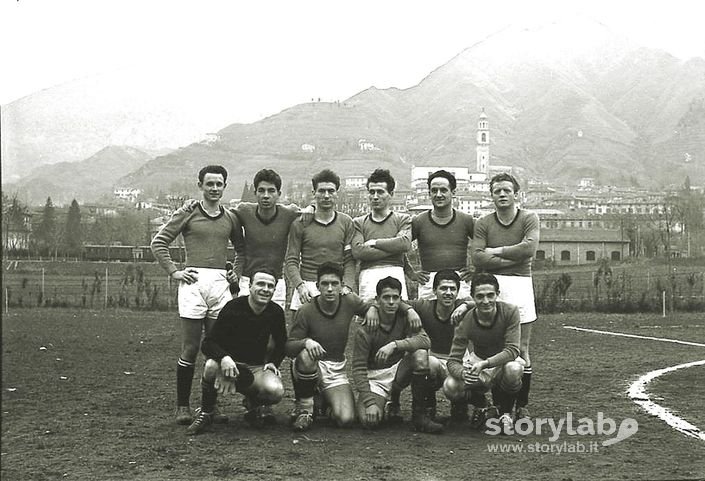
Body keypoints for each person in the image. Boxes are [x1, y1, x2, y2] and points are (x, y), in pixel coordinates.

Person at [150, 165, 244, 425]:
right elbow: (158, 243)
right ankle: (182, 407)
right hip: (193, 283)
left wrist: (235, 272)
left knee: (216, 349)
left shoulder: (231, 217)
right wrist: (174, 272)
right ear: (200, 185)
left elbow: (241, 250)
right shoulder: (188, 212)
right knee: (191, 348)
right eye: (210, 184)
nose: (214, 189)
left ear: (225, 186)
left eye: (219, 184)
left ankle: (210, 407)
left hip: (219, 285)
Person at [463, 172, 539, 420]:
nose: (503, 194)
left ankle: (521, 405)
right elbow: (477, 257)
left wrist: (495, 252)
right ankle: (496, 404)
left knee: (522, 349)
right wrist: (511, 256)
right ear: (492, 195)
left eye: (507, 190)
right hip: (492, 287)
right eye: (498, 191)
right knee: (491, 347)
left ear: (516, 194)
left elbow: (529, 250)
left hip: (520, 286)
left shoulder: (529, 218)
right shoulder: (484, 222)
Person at [186, 268, 287, 435]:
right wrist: (224, 358)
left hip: (255, 368)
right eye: (260, 284)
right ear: (250, 286)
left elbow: (282, 343)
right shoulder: (233, 308)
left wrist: (273, 362)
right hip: (229, 366)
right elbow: (208, 343)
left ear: (274, 290)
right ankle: (207, 412)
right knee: (211, 365)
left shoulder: (275, 312)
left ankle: (252, 405)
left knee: (275, 391)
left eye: (270, 286)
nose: (265, 289)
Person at [285, 262, 373, 431]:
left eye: (335, 284)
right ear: (318, 286)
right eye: (325, 284)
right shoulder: (306, 310)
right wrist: (306, 342)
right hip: (313, 365)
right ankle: (305, 409)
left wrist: (373, 310)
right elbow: (289, 347)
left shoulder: (350, 301)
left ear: (342, 285)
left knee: (346, 419)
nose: (330, 289)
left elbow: (373, 308)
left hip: (336, 368)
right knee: (305, 356)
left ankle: (324, 404)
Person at [381, 269, 475, 425]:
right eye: (443, 288)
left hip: (456, 362)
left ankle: (459, 406)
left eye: (453, 289)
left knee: (460, 384)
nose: (448, 293)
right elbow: (396, 302)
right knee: (426, 362)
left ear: (458, 292)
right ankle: (426, 405)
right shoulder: (424, 306)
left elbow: (488, 303)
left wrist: (466, 304)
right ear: (434, 290)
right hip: (434, 359)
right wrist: (409, 310)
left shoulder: (461, 307)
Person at [351, 277, 443, 433]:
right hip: (376, 377)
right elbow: (358, 369)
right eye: (386, 298)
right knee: (369, 421)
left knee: (425, 357)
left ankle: (419, 415)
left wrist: (395, 345)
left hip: (397, 370)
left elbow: (425, 341)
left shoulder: (405, 317)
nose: (391, 302)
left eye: (395, 298)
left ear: (400, 299)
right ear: (377, 300)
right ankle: (386, 403)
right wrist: (369, 402)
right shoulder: (366, 329)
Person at [444, 272, 524, 434]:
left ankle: (506, 413)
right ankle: (484, 406)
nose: (485, 301)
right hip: (479, 361)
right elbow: (452, 361)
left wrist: (485, 364)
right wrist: (463, 373)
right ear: (472, 297)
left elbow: (512, 350)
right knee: (450, 386)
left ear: (497, 295)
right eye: (480, 296)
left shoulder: (510, 311)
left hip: (502, 361)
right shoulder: (466, 320)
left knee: (514, 369)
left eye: (490, 295)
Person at [233, 168, 308, 308]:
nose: (266, 195)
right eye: (261, 191)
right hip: (247, 280)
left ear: (279, 194)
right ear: (255, 193)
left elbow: (311, 213)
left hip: (275, 282)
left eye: (271, 191)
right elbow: (220, 213)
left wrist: (312, 207)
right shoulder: (244, 210)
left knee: (273, 325)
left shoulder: (289, 213)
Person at [285, 169, 356, 311]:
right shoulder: (300, 223)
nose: (326, 196)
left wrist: (347, 286)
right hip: (308, 286)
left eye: (331, 191)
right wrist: (300, 286)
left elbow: (350, 260)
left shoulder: (346, 222)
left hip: (335, 287)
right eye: (321, 191)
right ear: (314, 193)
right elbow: (291, 260)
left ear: (337, 193)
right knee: (300, 332)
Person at [406, 170, 474, 300]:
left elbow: (485, 244)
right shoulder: (418, 221)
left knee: (461, 319)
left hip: (459, 282)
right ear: (429, 193)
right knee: (428, 320)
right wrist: (411, 273)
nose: (438, 194)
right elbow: (399, 247)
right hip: (429, 284)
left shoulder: (466, 220)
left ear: (453, 192)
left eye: (443, 190)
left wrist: (476, 269)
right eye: (434, 190)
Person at [352, 169, 412, 301]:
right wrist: (395, 248)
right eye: (371, 192)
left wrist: (374, 243)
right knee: (368, 317)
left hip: (396, 273)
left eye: (380, 192)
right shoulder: (359, 222)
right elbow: (358, 252)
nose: (375, 196)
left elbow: (404, 243)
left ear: (391, 194)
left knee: (398, 318)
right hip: (368, 277)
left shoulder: (403, 219)